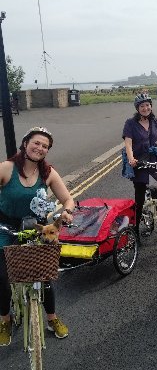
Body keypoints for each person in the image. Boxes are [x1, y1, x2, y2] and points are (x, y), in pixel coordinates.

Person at [0, 127, 74, 346]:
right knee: (2, 278)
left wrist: (67, 211)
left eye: (45, 146)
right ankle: (4, 320)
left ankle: (51, 319)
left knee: (44, 276)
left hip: (35, 229)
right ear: (25, 143)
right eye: (36, 143)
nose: (40, 148)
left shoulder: (48, 173)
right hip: (5, 228)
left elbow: (67, 200)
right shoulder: (7, 168)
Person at [122, 93, 157, 236]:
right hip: (139, 159)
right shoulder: (130, 123)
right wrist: (131, 158)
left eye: (148, 105)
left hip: (153, 155)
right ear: (138, 108)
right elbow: (128, 143)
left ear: (151, 106)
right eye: (142, 106)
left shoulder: (155, 122)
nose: (146, 108)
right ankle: (135, 229)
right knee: (139, 196)